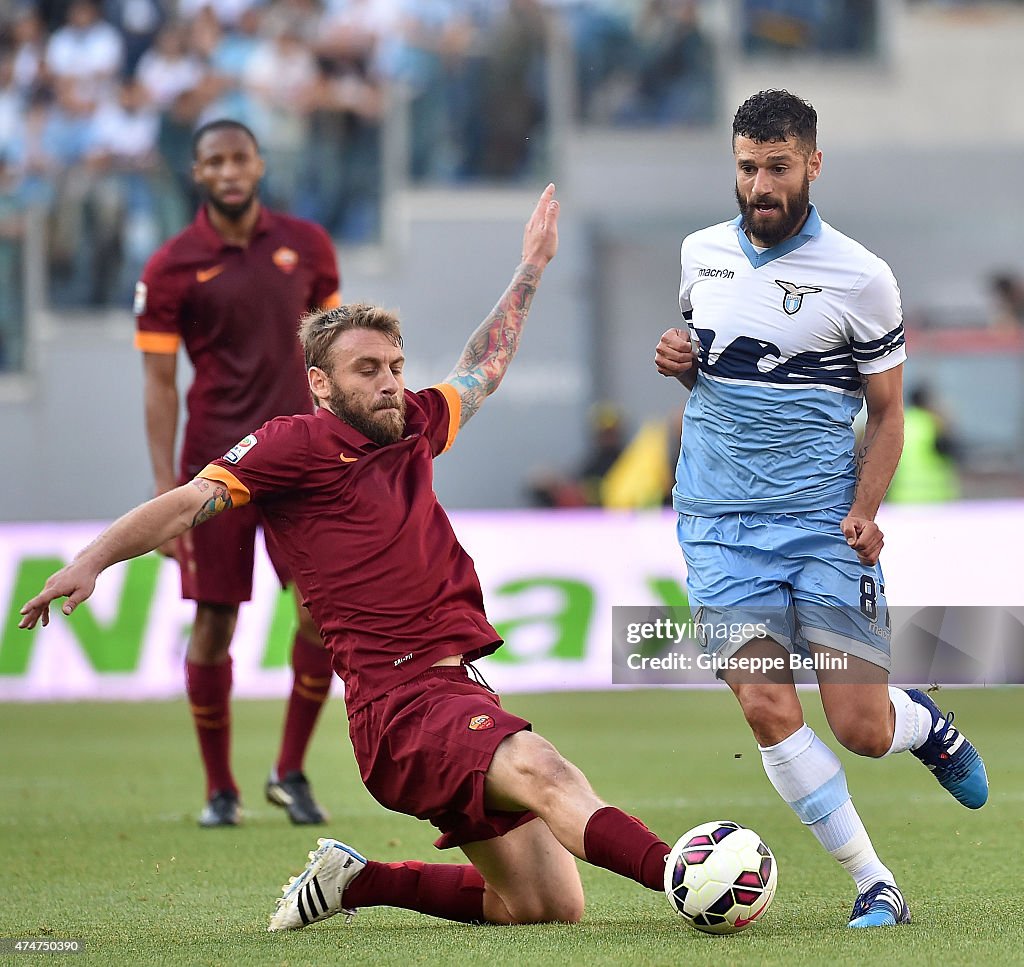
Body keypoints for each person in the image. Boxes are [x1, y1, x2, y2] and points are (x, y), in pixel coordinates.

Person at [22, 185, 677, 930]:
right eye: (368, 369)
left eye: (395, 364)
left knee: (545, 906)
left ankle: (359, 879)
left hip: (459, 690)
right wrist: (92, 559)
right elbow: (184, 501)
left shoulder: (417, 423)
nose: (390, 380)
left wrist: (531, 263)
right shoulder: (290, 446)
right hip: (398, 709)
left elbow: (483, 365)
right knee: (545, 767)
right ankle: (685, 874)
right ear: (321, 385)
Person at [654, 89, 988, 929]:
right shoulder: (699, 254)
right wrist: (683, 364)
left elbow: (887, 413)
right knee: (766, 706)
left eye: (776, 167)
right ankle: (876, 882)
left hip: (820, 525)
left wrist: (868, 511)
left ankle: (925, 728)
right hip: (717, 523)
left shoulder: (862, 276)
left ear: (812, 163)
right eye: (745, 167)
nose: (759, 184)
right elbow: (721, 371)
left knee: (860, 728)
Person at [134, 118, 342, 827]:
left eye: (239, 159)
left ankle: (290, 770)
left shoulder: (307, 247)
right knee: (215, 622)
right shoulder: (170, 266)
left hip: (303, 464)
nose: (228, 171)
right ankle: (220, 787)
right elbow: (160, 384)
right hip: (217, 468)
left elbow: (336, 356)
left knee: (320, 613)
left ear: (259, 165)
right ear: (197, 173)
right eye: (214, 161)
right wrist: (168, 489)